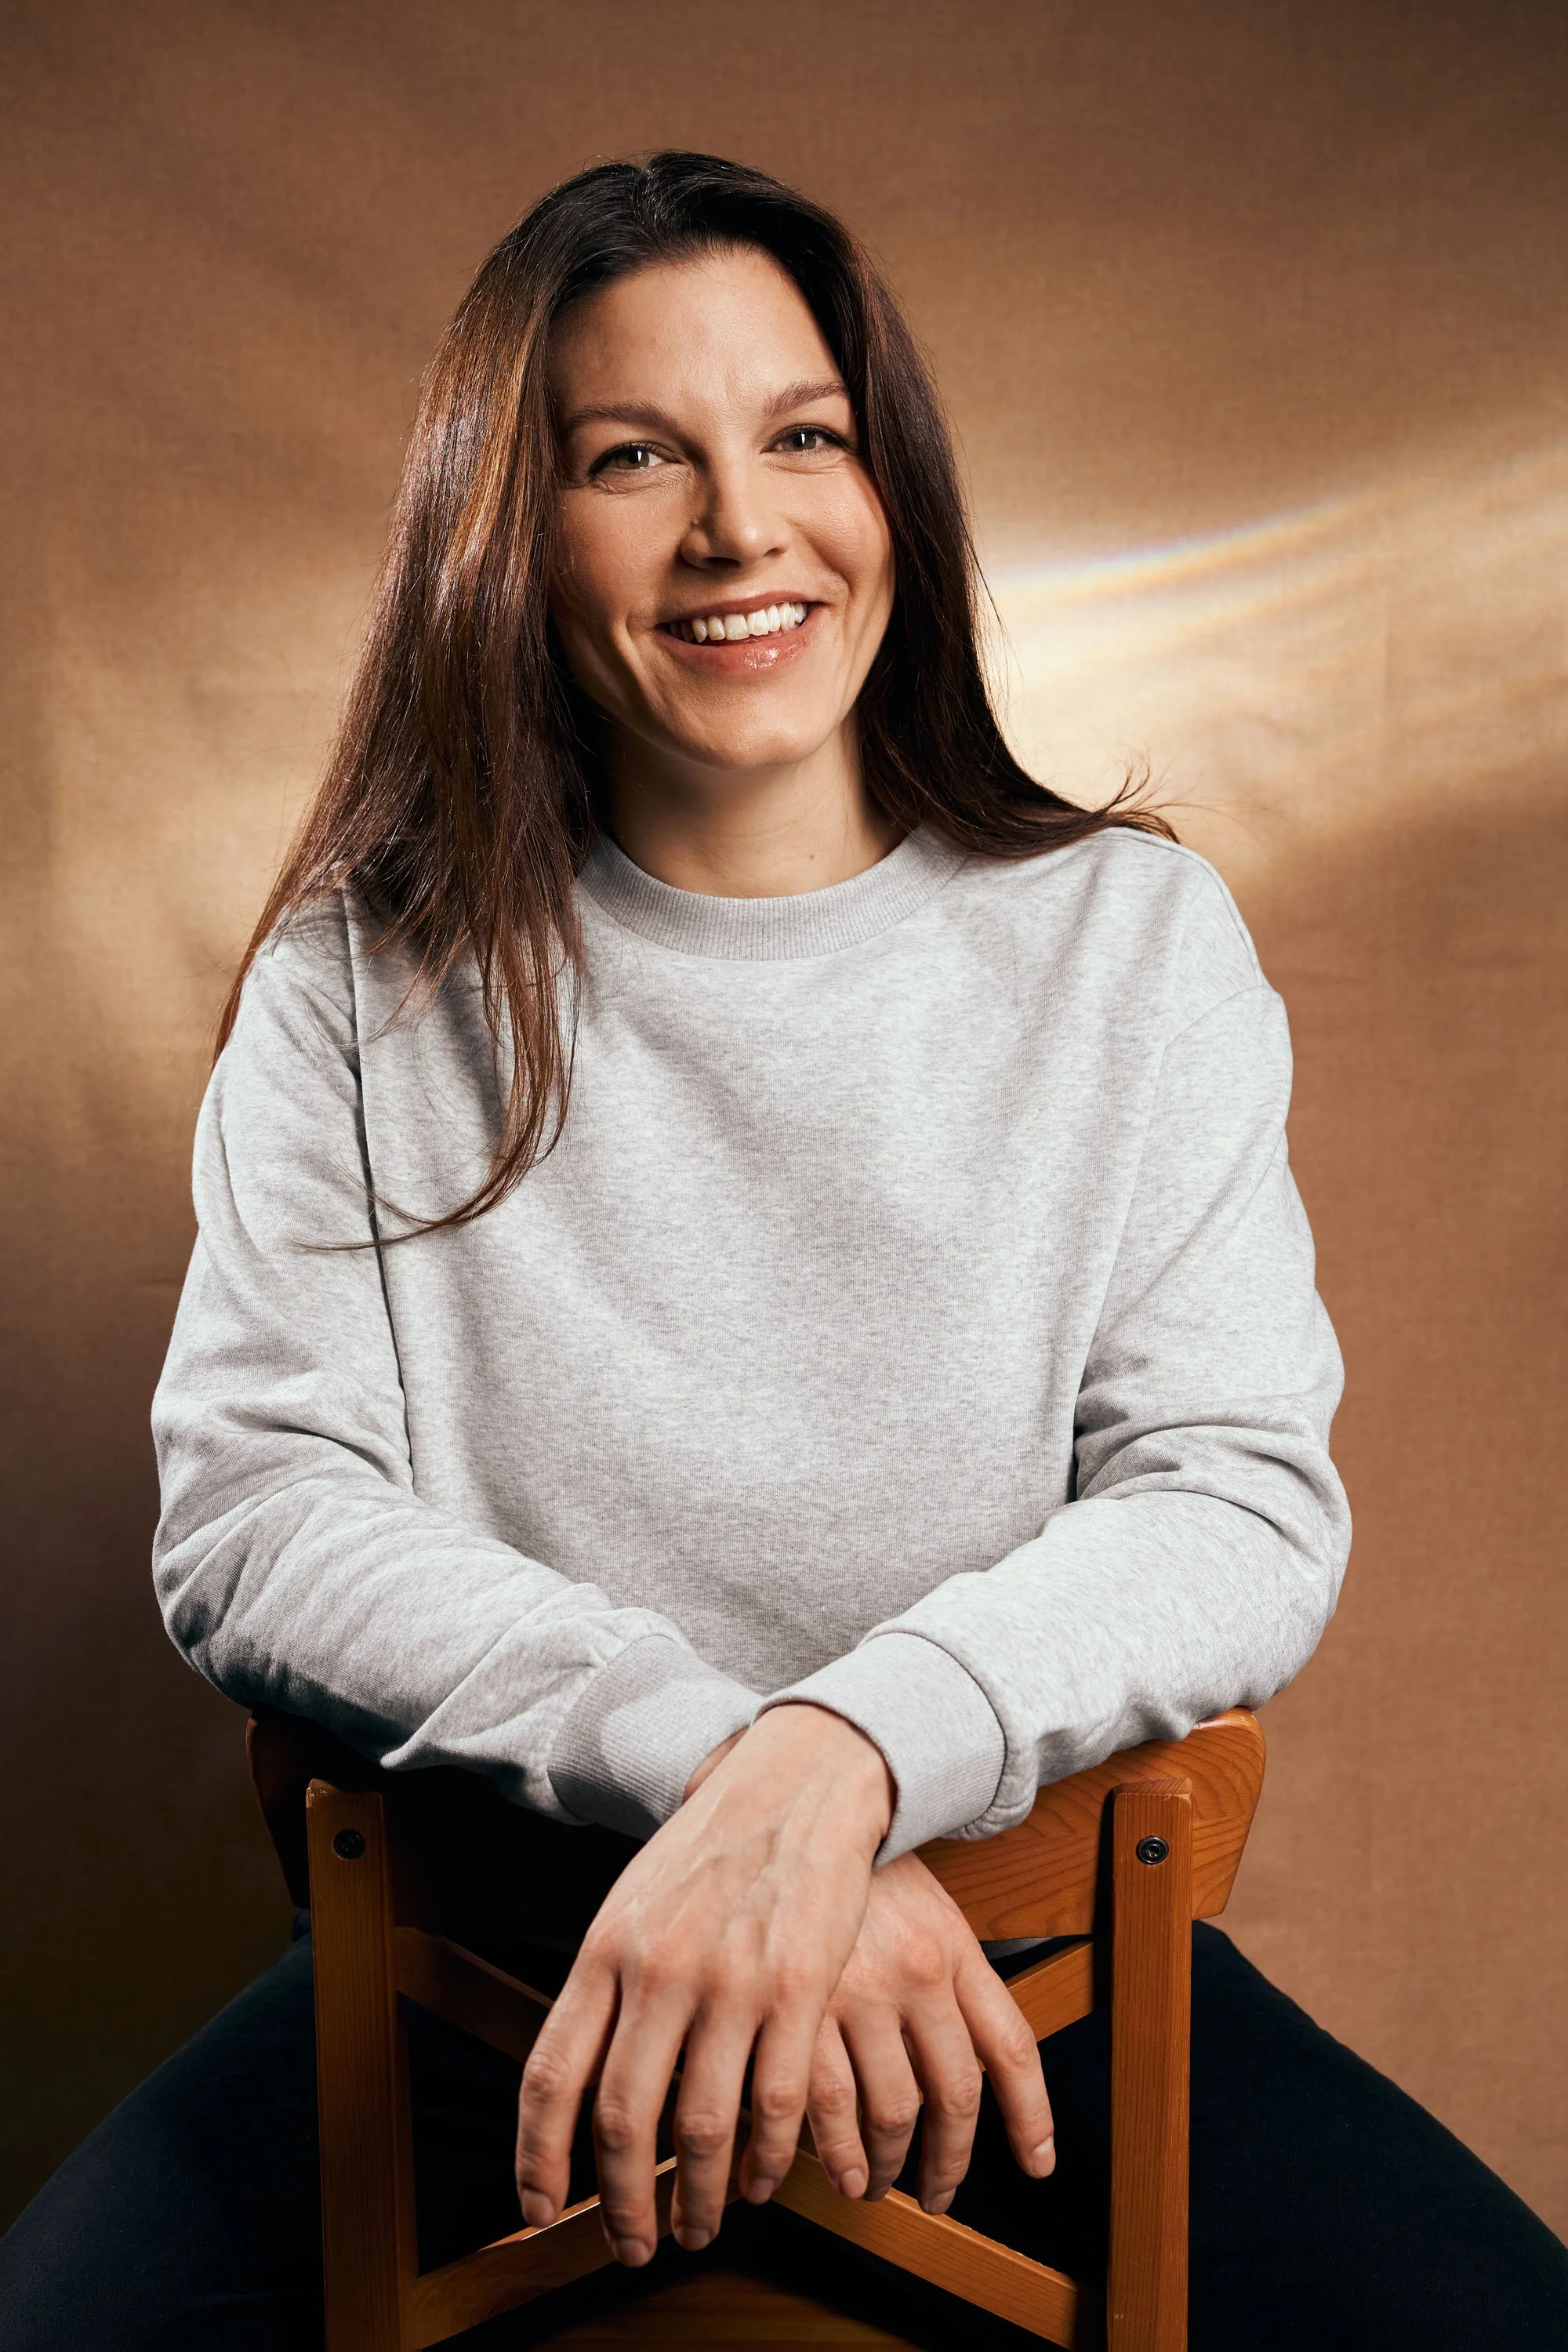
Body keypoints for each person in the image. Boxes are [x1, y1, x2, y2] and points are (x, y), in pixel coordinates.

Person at [3, 151, 1565, 2352]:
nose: (743, 529)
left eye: (802, 437)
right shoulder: (363, 981)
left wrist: (847, 1771)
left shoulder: (1129, 945)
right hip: (490, 1990)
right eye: (635, 459)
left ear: (889, 486)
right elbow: (256, 1515)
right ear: (510, 529)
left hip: (1032, 1987)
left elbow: (1234, 1495)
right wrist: (711, 1782)